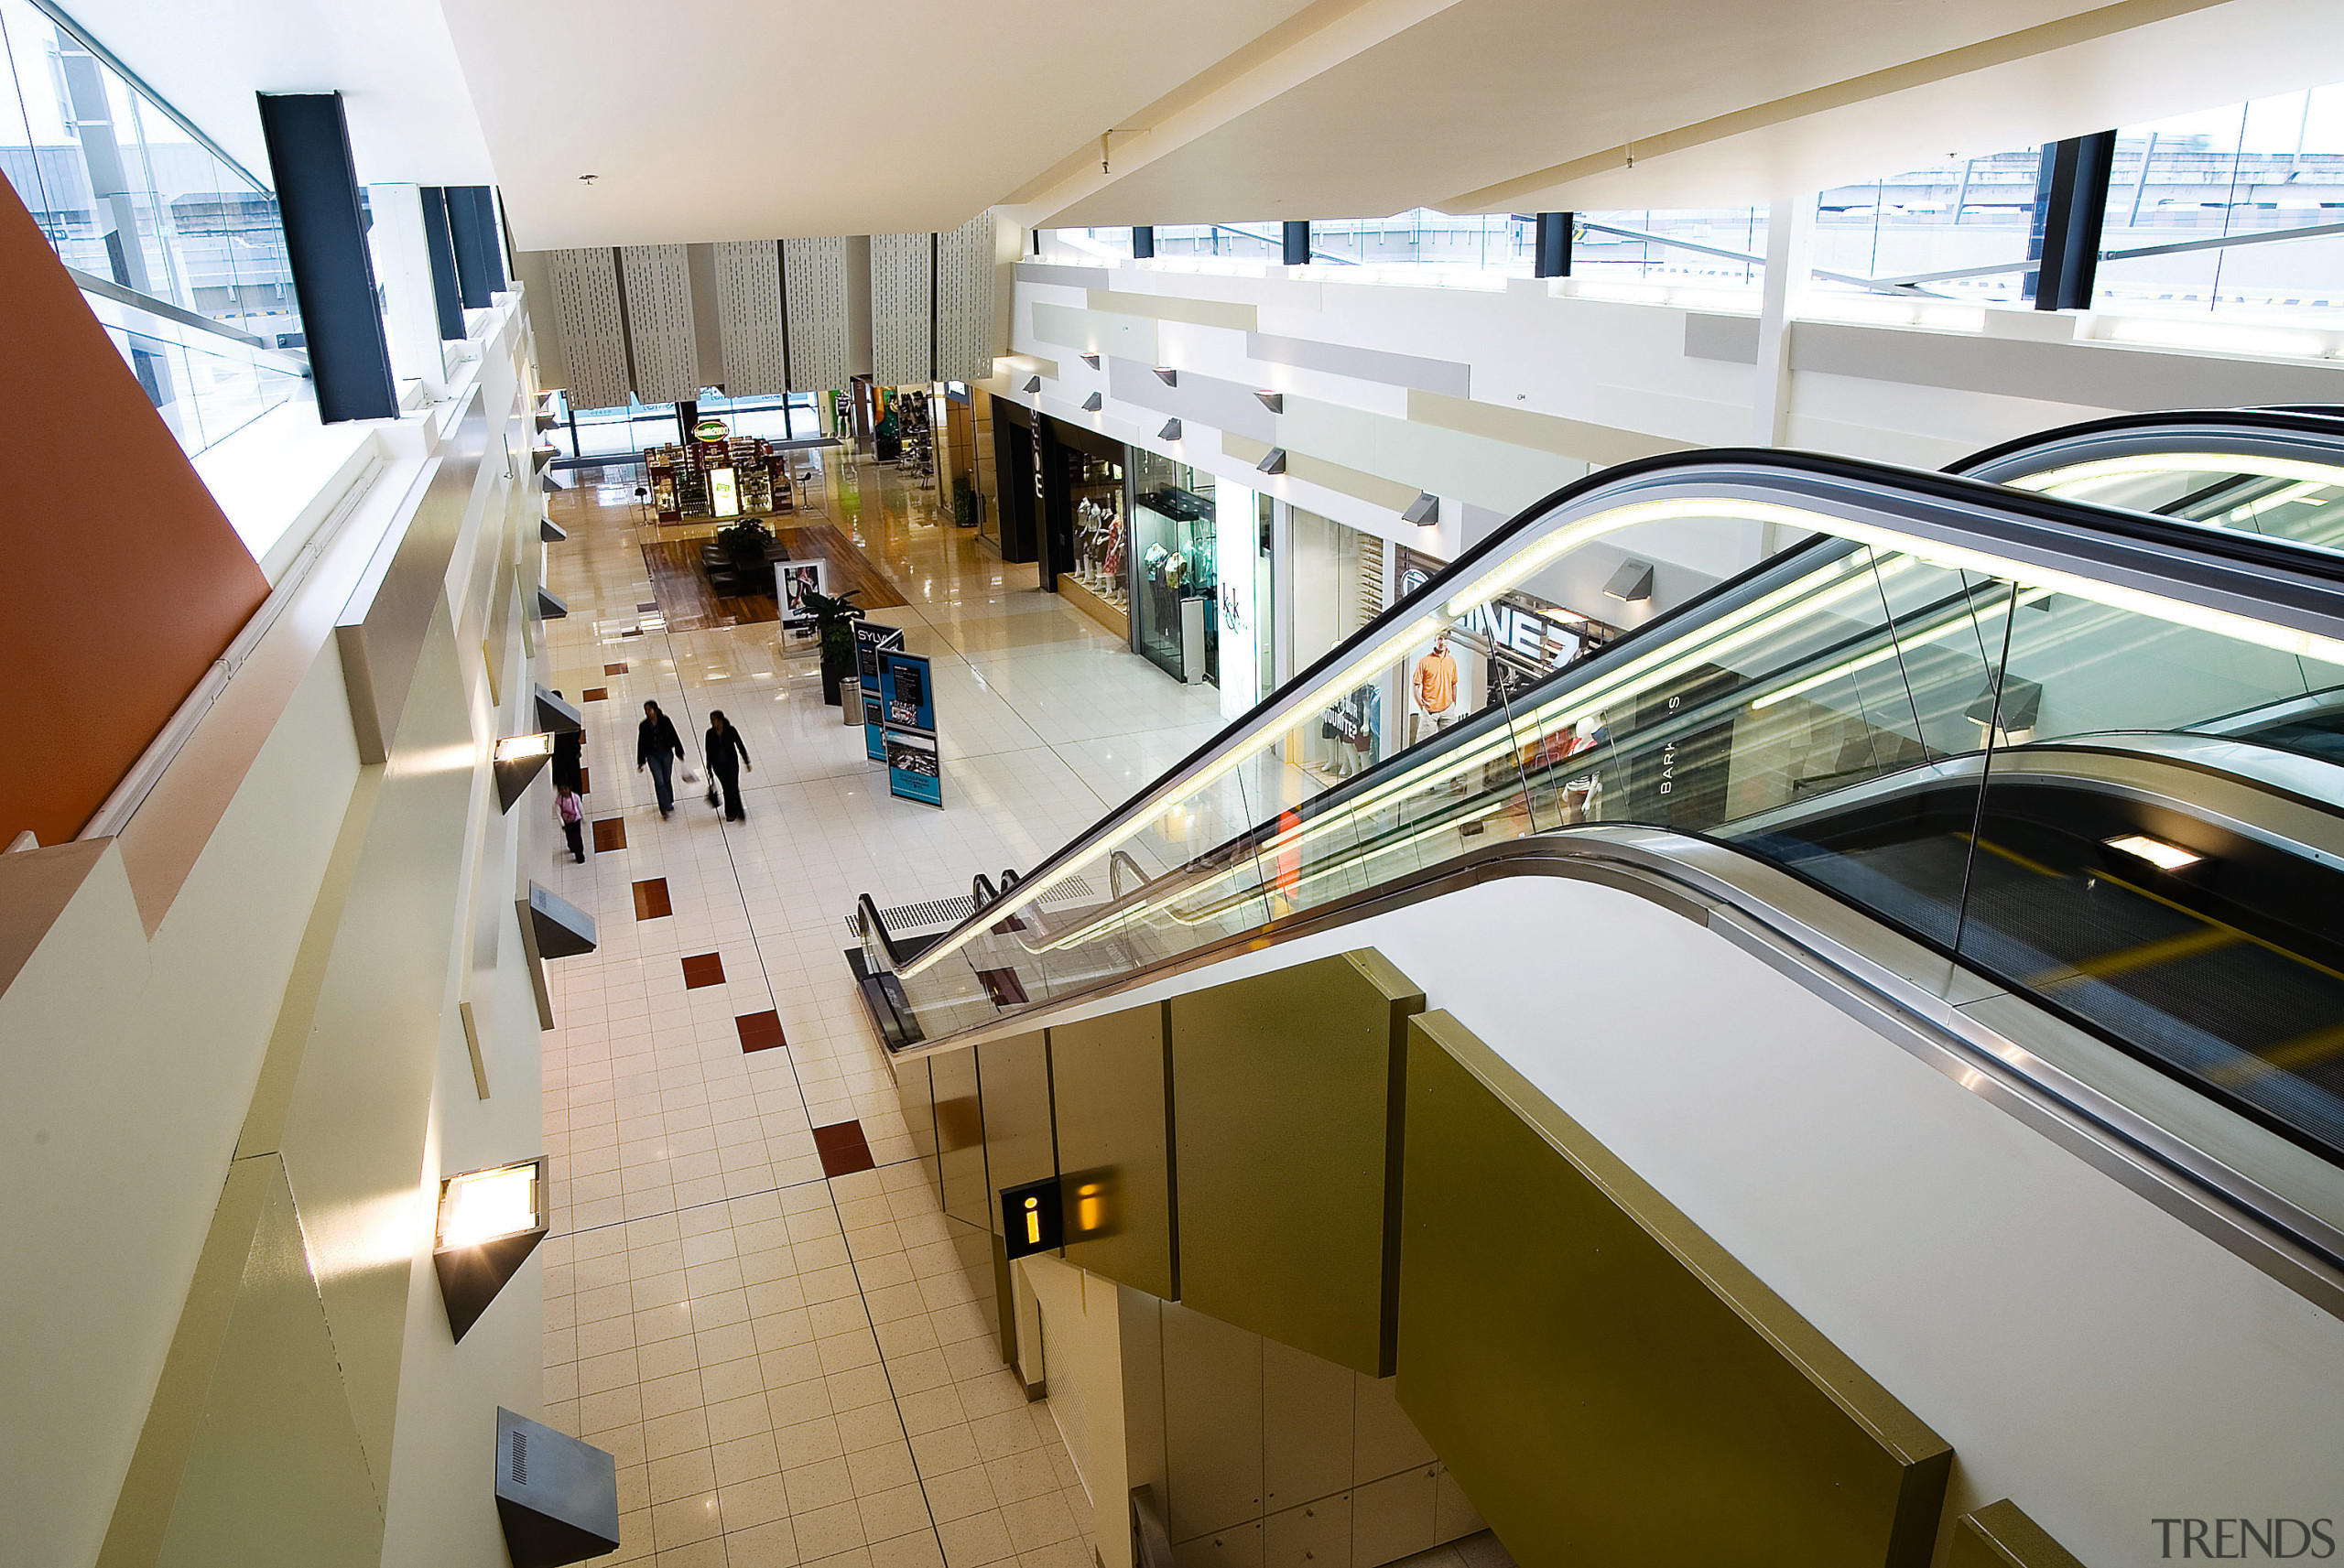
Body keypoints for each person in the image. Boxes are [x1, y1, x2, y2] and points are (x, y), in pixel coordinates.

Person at [637, 700, 685, 817]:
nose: (647, 712)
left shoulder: (665, 721)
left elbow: (674, 734)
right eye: (646, 710)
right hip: (652, 756)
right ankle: (664, 807)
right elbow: (641, 743)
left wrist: (679, 751)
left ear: (655, 709)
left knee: (667, 778)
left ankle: (669, 800)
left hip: (667, 753)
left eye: (649, 709)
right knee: (659, 781)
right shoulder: (644, 726)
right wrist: (641, 761)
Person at [704, 710, 753, 822]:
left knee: (734, 787)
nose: (712, 722)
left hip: (731, 764)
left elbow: (740, 745)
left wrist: (746, 761)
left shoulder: (731, 730)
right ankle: (730, 812)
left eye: (714, 720)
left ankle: (738, 810)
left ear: (720, 720)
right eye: (711, 720)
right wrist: (709, 768)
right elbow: (708, 751)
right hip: (718, 766)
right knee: (726, 788)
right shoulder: (710, 734)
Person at [549, 690, 584, 794]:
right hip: (571, 755)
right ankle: (577, 803)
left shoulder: (548, 719)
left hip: (559, 759)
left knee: (563, 784)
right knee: (575, 781)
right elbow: (577, 730)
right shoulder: (568, 714)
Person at [555, 782, 585, 862]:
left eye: (565, 788)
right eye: (561, 789)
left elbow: (580, 807)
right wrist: (562, 824)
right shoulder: (559, 801)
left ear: (569, 788)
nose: (564, 791)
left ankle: (580, 855)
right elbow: (558, 813)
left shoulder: (575, 797)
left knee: (578, 838)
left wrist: (583, 817)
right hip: (567, 823)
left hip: (576, 820)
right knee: (570, 837)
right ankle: (571, 846)